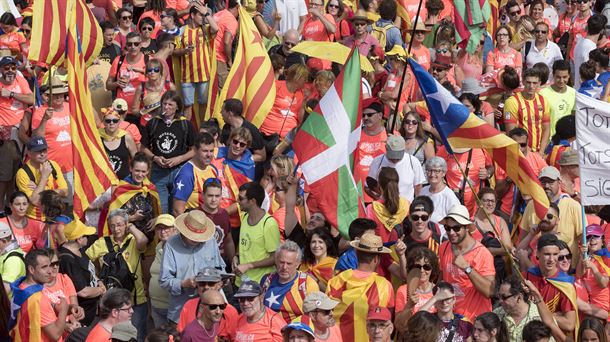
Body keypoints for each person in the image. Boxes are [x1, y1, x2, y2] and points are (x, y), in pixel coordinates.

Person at [86, 209, 149, 341]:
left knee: (137, 336)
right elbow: (85, 261)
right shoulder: (102, 242)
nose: (116, 229)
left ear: (126, 224)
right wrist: (97, 279)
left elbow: (143, 240)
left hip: (135, 299)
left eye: (119, 224)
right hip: (112, 301)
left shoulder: (133, 240)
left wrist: (130, 225)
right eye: (112, 225)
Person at [159, 210, 226, 325]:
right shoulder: (171, 244)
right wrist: (183, 283)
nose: (196, 240)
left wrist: (222, 279)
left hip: (211, 313)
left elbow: (220, 268)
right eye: (193, 237)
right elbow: (164, 280)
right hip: (181, 313)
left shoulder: (210, 241)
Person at [327, 233, 395, 341]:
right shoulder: (385, 286)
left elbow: (328, 316)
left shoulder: (335, 281)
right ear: (376, 259)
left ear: (356, 253)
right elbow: (387, 320)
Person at [141, 90, 197, 213]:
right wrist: (155, 158)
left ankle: (175, 233)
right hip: (158, 172)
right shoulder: (153, 123)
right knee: (161, 210)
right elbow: (143, 148)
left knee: (177, 211)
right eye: (164, 104)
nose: (166, 107)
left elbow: (194, 150)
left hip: (179, 172)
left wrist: (179, 159)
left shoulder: (185, 124)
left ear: (177, 107)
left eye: (170, 104)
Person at [438, 204, 496, 322]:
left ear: (467, 227)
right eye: (447, 228)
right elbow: (442, 279)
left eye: (456, 228)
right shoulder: (443, 247)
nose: (451, 232)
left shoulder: (483, 253)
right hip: (451, 320)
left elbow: (490, 291)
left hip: (475, 322)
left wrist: (467, 268)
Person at [519, 166, 583, 259]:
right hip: (537, 268)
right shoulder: (531, 205)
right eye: (543, 182)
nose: (546, 186)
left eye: (551, 181)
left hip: (567, 267)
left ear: (559, 182)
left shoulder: (573, 205)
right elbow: (523, 238)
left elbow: (584, 239)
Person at [94, 152, 161, 236]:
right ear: (131, 169)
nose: (140, 175)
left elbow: (157, 212)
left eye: (143, 171)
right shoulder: (121, 189)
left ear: (148, 171)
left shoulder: (150, 188)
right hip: (128, 237)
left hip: (149, 237)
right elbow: (112, 218)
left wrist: (156, 219)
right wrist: (133, 217)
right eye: (137, 170)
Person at [10, 249, 69, 342]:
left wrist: (57, 307)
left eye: (50, 265)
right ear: (31, 269)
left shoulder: (21, 287)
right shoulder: (37, 299)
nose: (50, 271)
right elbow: (55, 335)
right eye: (44, 267)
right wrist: (64, 310)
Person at [0, 55, 34, 210]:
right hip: (5, 134)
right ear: (1, 69)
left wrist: (11, 94)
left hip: (21, 131)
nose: (10, 71)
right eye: (7, 68)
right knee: (5, 176)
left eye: (13, 67)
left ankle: (10, 205)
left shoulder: (20, 80)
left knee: (15, 173)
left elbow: (32, 99)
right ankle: (1, 208)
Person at [524, 234, 576, 334]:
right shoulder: (526, 276)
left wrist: (540, 315)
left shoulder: (565, 284)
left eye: (555, 254)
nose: (551, 259)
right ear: (537, 253)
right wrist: (556, 315)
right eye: (547, 254)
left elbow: (569, 324)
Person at [173, 4, 217, 120]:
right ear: (192, 15)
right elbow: (174, 51)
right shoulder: (182, 31)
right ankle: (188, 132)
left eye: (204, 15)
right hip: (187, 76)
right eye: (201, 15)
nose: (203, 18)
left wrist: (207, 14)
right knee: (188, 106)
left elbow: (216, 28)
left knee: (203, 104)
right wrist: (184, 51)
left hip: (204, 74)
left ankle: (202, 130)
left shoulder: (206, 29)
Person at [233, 182, 281, 286]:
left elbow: (275, 258)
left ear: (252, 201)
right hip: (241, 282)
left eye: (241, 199)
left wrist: (249, 266)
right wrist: (236, 256)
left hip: (259, 285)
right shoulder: (245, 217)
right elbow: (243, 242)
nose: (238, 201)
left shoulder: (268, 224)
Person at [58, 221, 104, 326]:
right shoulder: (67, 259)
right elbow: (83, 292)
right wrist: (101, 290)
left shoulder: (80, 250)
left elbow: (90, 271)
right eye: (86, 236)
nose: (89, 238)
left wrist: (99, 281)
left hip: (92, 311)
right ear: (79, 239)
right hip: (81, 316)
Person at [261, 240, 319, 323]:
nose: (284, 267)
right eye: (281, 262)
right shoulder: (267, 280)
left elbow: (314, 317)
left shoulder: (308, 284)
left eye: (289, 263)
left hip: (294, 332)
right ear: (276, 261)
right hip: (267, 329)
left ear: (298, 264)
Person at [31, 77, 74, 184]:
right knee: (52, 198)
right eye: (54, 94)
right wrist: (45, 119)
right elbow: (36, 138)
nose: (58, 96)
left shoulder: (71, 107)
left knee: (69, 199)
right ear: (48, 95)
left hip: (72, 166)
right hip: (50, 166)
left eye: (61, 93)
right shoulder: (41, 112)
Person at [176, 268, 239, 340]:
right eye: (202, 284)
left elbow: (234, 338)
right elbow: (182, 334)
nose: (206, 287)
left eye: (211, 283)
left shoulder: (231, 312)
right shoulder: (189, 305)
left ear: (219, 285)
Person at [15, 137, 68, 222]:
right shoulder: (23, 173)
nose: (42, 154)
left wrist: (39, 189)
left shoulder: (53, 165)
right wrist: (44, 177)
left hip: (54, 216)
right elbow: (35, 201)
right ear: (29, 153)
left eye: (44, 150)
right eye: (38, 151)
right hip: (34, 219)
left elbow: (65, 192)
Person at [436, 146, 493, 216]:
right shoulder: (444, 149)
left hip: (477, 204)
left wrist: (487, 173)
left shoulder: (481, 148)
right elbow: (435, 169)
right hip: (453, 203)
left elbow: (491, 167)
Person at [394, 247, 440, 332]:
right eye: (417, 266)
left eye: (427, 267)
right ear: (411, 268)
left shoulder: (438, 291)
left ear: (432, 269)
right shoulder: (403, 290)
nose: (422, 270)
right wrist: (409, 305)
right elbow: (399, 326)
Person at [367, 135, 425, 202]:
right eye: (393, 156)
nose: (395, 159)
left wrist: (417, 204)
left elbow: (418, 186)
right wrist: (379, 200)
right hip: (384, 209)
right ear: (386, 148)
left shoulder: (413, 162)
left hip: (407, 209)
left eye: (398, 156)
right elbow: (368, 185)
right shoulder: (377, 161)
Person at [172, 133, 218, 215]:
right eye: (205, 151)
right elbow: (177, 210)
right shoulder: (187, 174)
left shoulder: (213, 169)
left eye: (211, 151)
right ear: (195, 150)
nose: (209, 155)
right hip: (192, 224)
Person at [493, 275, 551, 342]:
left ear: (519, 298)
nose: (500, 301)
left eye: (504, 297)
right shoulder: (496, 315)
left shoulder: (541, 317)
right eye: (499, 296)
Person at [260, 64, 309, 139]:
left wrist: (305, 101)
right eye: (305, 78)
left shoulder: (302, 94)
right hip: (267, 132)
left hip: (287, 139)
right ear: (297, 77)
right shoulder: (277, 86)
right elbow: (262, 106)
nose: (306, 81)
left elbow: (301, 119)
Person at [106, 32, 147, 120]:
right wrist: (117, 83)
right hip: (121, 111)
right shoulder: (118, 60)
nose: (133, 47)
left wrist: (142, 73)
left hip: (142, 110)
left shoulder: (147, 60)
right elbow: (108, 85)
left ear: (141, 45)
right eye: (129, 44)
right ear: (126, 46)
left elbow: (156, 82)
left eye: (136, 44)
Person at [353, 98, 387, 204]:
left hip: (380, 196)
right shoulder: (355, 135)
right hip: (357, 195)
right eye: (363, 115)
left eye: (369, 115)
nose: (365, 118)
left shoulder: (391, 136)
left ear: (380, 115)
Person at [43, 249, 84, 333]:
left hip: (71, 327)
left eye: (57, 263)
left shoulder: (64, 279)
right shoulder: (38, 287)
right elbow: (44, 319)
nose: (55, 267)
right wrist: (64, 326)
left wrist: (74, 320)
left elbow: (74, 306)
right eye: (51, 264)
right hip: (52, 330)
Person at [366, 167, 409, 243]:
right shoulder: (406, 205)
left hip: (379, 252)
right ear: (397, 183)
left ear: (379, 184)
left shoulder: (372, 208)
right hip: (401, 252)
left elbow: (368, 236)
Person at [148, 214, 177, 327]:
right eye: (159, 228)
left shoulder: (177, 249)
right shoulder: (159, 246)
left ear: (175, 229)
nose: (163, 231)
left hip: (171, 307)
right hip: (157, 306)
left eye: (166, 228)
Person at [199, 177, 235, 262]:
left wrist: (233, 261)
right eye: (210, 195)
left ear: (221, 196)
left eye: (217, 196)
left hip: (220, 264)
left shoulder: (224, 214)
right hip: (200, 264)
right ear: (203, 195)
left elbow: (228, 241)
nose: (214, 199)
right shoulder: (195, 214)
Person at [576, 224, 610, 316]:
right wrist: (582, 255)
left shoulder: (606, 258)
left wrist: (593, 267)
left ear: (602, 241)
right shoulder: (587, 257)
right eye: (588, 237)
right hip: (590, 305)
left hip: (603, 307)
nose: (592, 239)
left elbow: (603, 284)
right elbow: (579, 275)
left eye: (596, 236)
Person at [219, 98, 266, 163]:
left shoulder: (252, 130)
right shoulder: (226, 127)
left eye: (222, 110)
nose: (221, 112)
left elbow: (262, 156)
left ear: (230, 113)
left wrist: (241, 160)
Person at [419, 157, 460, 231]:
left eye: (436, 171)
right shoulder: (423, 191)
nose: (432, 174)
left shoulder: (449, 196)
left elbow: (456, 219)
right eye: (429, 170)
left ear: (443, 173)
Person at [100, 109, 138, 180]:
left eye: (115, 121)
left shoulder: (126, 137)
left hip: (124, 182)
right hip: (103, 183)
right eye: (108, 121)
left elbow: (136, 160)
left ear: (119, 122)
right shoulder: (97, 137)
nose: (111, 123)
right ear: (104, 122)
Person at [299, 228, 338, 292]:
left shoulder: (335, 264)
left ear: (327, 244)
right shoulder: (305, 263)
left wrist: (315, 280)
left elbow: (333, 293)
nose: (316, 245)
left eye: (320, 242)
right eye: (313, 242)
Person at [574, 14, 606, 89]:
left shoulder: (580, 42)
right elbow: (589, 75)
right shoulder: (590, 48)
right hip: (587, 92)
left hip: (580, 90)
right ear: (602, 30)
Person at [213, 0, 239, 89]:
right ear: (237, 7)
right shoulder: (232, 20)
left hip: (209, 54)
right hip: (219, 57)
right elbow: (227, 42)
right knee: (223, 89)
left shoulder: (219, 14)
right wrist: (229, 61)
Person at [0, 221, 25, 293]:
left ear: (4, 241)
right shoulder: (4, 252)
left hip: (8, 302)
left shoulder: (13, 260)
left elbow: (5, 290)